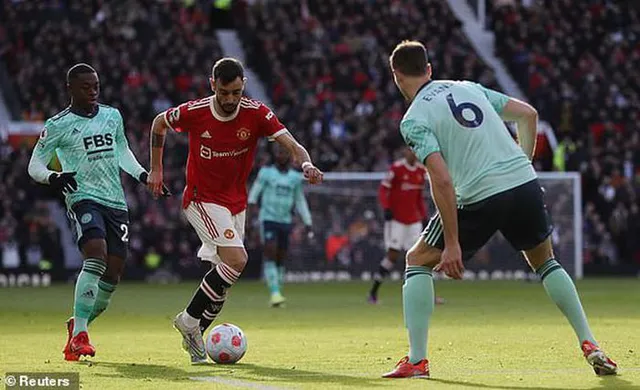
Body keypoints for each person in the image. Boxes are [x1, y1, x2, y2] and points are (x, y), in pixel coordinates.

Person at [382, 41, 617, 378]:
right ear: (429, 69)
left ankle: (417, 361)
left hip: (480, 194)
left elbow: (443, 181)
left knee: (416, 261)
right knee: (546, 262)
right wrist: (523, 161)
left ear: (396, 76)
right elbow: (528, 114)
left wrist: (452, 243)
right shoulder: (468, 87)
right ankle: (590, 342)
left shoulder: (414, 118)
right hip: (524, 184)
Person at [147, 58, 323, 364]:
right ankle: (188, 321)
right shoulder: (195, 112)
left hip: (234, 203)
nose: (230, 100)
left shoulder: (256, 113)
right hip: (201, 199)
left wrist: (306, 163)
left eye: (236, 93)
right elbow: (158, 123)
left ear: (244, 86)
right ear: (212, 85)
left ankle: (196, 336)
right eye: (224, 92)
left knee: (225, 280)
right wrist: (156, 170)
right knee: (238, 259)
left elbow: (292, 145)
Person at [27, 63, 166, 361]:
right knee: (96, 254)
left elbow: (121, 151)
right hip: (82, 197)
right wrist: (54, 176)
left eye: (96, 86)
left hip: (115, 201)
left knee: (112, 276)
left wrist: (143, 176)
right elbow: (34, 165)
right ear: (70, 89)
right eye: (85, 87)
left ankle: (78, 325)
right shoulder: (57, 125)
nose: (92, 92)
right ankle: (81, 336)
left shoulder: (112, 116)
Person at [369, 147, 443, 305]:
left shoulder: (420, 172)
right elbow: (383, 190)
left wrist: (423, 217)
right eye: (410, 150)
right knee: (392, 255)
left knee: (421, 257)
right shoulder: (396, 169)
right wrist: (386, 207)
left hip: (414, 221)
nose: (413, 153)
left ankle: (426, 295)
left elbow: (418, 198)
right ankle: (373, 292)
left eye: (415, 151)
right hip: (396, 220)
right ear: (405, 152)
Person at [248, 143, 313, 307]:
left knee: (281, 257)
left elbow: (300, 201)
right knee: (270, 251)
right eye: (279, 152)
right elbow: (253, 196)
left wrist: (307, 222)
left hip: (285, 221)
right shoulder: (266, 173)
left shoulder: (295, 178)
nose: (282, 155)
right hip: (268, 219)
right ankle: (275, 293)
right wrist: (249, 219)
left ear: (290, 156)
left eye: (285, 153)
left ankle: (278, 290)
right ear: (274, 154)